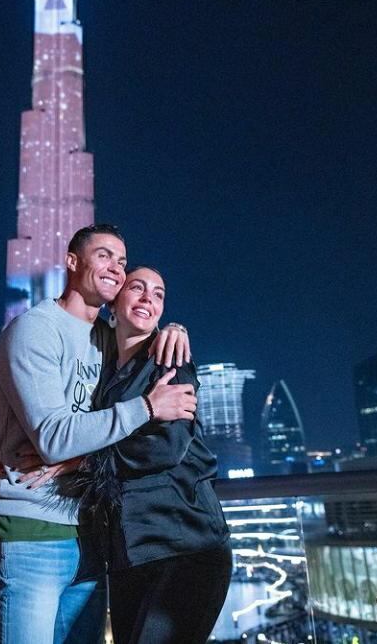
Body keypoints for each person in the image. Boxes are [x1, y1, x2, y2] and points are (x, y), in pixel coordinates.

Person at [0, 224, 196, 644]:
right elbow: (54, 439)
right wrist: (149, 407)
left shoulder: (107, 339)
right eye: (104, 255)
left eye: (121, 260)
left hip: (91, 535)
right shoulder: (35, 330)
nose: (115, 268)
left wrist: (176, 329)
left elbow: (145, 329)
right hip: (31, 532)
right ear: (72, 261)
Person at [75, 266, 232, 644]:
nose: (149, 298)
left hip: (186, 549)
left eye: (159, 294)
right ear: (115, 299)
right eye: (138, 288)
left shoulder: (169, 362)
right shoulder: (102, 368)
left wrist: (79, 461)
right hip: (129, 555)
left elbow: (163, 448)